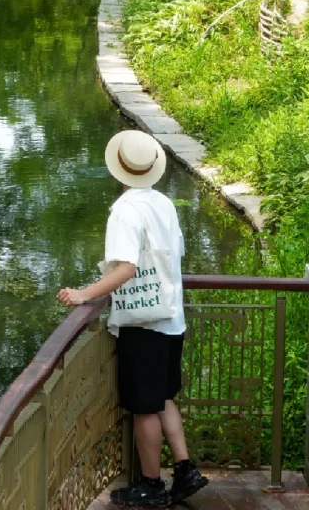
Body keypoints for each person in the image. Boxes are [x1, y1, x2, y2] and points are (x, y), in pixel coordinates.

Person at [56, 129, 209, 508]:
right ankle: (186, 470)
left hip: (144, 322)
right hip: (172, 316)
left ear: (119, 169)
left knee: (144, 407)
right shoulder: (163, 203)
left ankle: (152, 485)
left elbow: (125, 268)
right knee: (163, 398)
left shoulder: (125, 211)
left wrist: (84, 294)